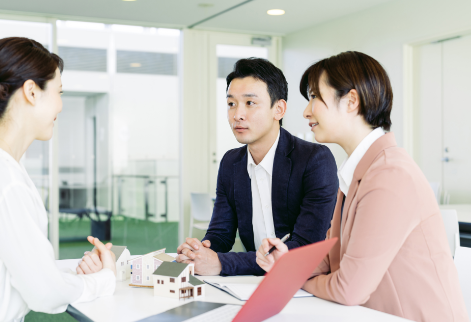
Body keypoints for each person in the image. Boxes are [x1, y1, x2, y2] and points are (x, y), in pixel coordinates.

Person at [256, 51, 469, 322]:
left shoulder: (389, 175)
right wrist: (287, 264)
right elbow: (332, 257)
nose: (306, 111)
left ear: (351, 101)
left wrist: (295, 279)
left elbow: (348, 289)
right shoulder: (360, 171)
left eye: (314, 97)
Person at [0, 37, 116, 322]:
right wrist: (105, 278)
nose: (60, 106)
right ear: (32, 92)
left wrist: (73, 274)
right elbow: (45, 293)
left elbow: (11, 268)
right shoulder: (3, 182)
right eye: (58, 92)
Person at [176, 58, 339, 276]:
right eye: (231, 104)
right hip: (252, 285)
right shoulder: (231, 163)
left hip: (306, 285)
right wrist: (200, 251)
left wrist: (222, 263)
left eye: (250, 103)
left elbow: (304, 248)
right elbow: (221, 234)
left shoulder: (314, 159)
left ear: (279, 109)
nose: (237, 115)